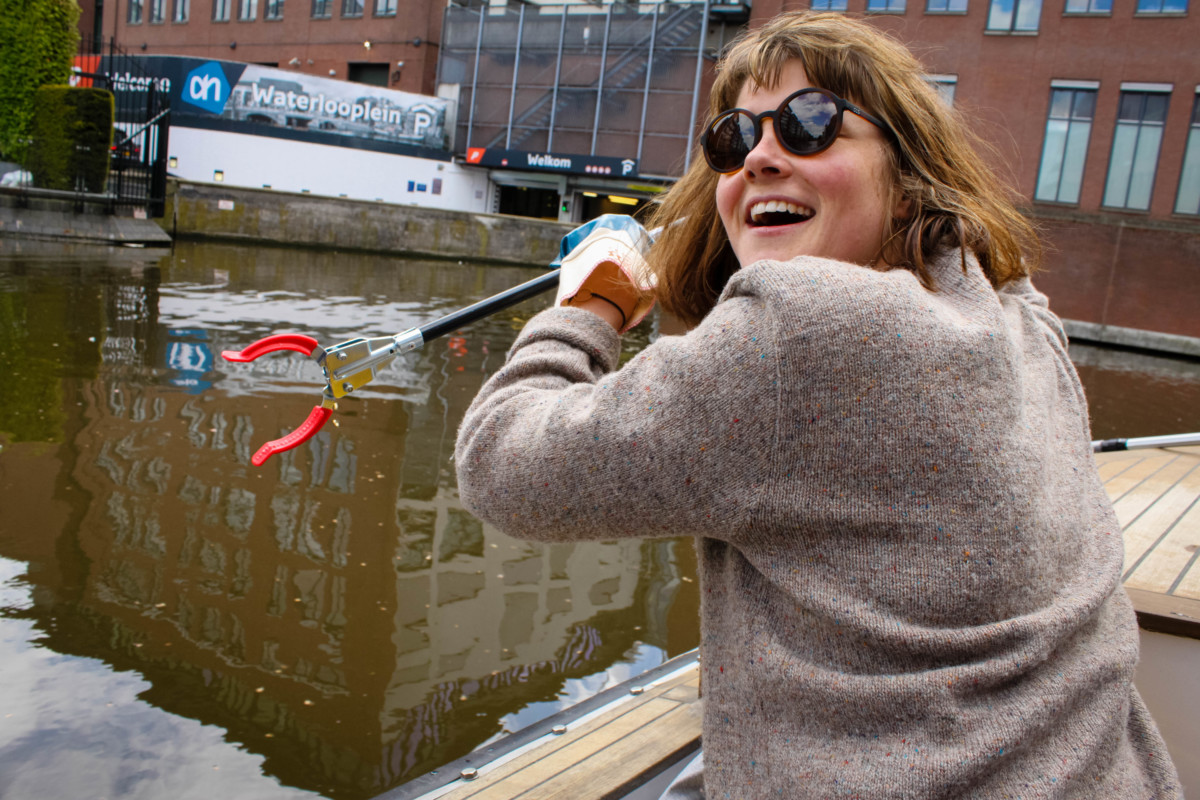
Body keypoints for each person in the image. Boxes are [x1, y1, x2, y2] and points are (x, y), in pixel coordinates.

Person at [454, 11, 1182, 799]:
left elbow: (501, 462)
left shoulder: (805, 329)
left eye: (812, 125)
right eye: (733, 140)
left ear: (906, 179)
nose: (762, 155)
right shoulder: (1018, 322)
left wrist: (589, 306)